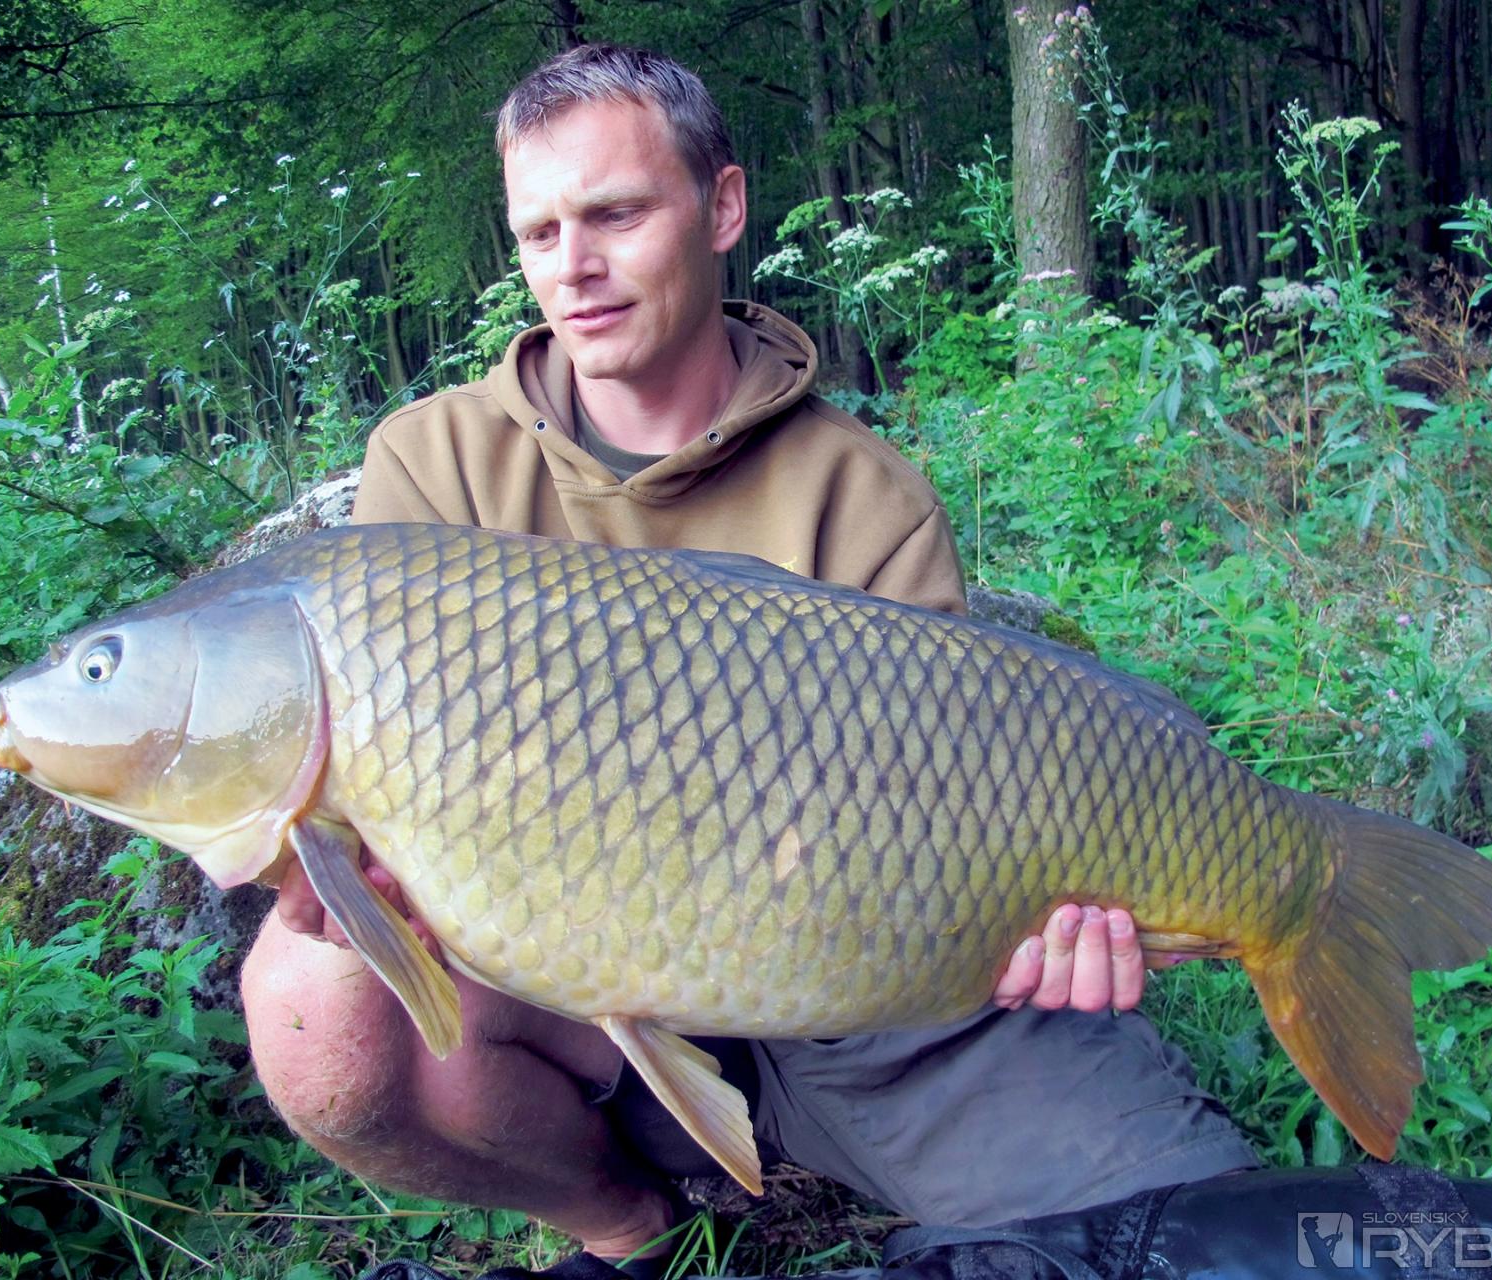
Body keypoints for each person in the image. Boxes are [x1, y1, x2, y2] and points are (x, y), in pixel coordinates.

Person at [239, 43, 1256, 1270]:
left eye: (615, 214)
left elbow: (965, 814)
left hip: (864, 1002)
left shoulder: (862, 494)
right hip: (572, 989)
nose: (573, 265)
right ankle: (625, 1226)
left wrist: (1044, 914)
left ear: (720, 208)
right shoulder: (436, 466)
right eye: (540, 232)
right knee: (310, 1001)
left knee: (1183, 1221)